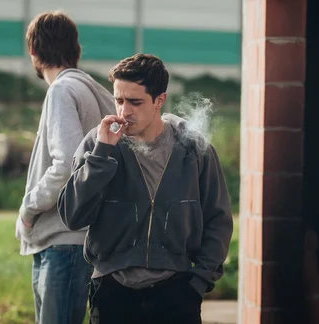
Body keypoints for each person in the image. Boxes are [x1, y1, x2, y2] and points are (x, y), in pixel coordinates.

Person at [57, 53, 234, 324]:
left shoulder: (193, 150)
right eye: (119, 100)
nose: (124, 111)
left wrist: (197, 284)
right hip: (113, 293)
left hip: (176, 294)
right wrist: (102, 155)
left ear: (159, 100)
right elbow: (73, 215)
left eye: (135, 102)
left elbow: (218, 221)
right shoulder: (99, 144)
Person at [15, 11, 115, 324]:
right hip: (80, 241)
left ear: (34, 51)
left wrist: (29, 208)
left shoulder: (61, 90)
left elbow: (68, 164)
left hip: (63, 242)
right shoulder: (91, 90)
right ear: (75, 49)